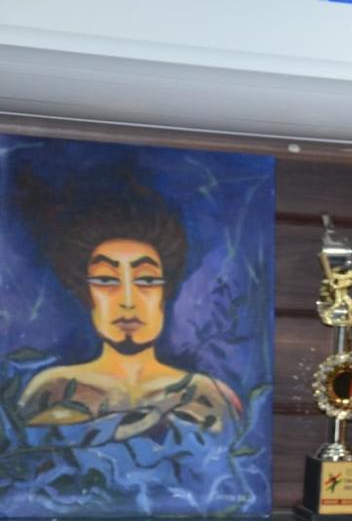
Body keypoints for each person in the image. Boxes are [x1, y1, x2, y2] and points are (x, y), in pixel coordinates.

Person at [17, 177, 241, 440]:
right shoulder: (53, 390)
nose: (127, 300)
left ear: (164, 292)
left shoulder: (209, 396)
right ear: (86, 293)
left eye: (146, 280)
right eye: (106, 280)